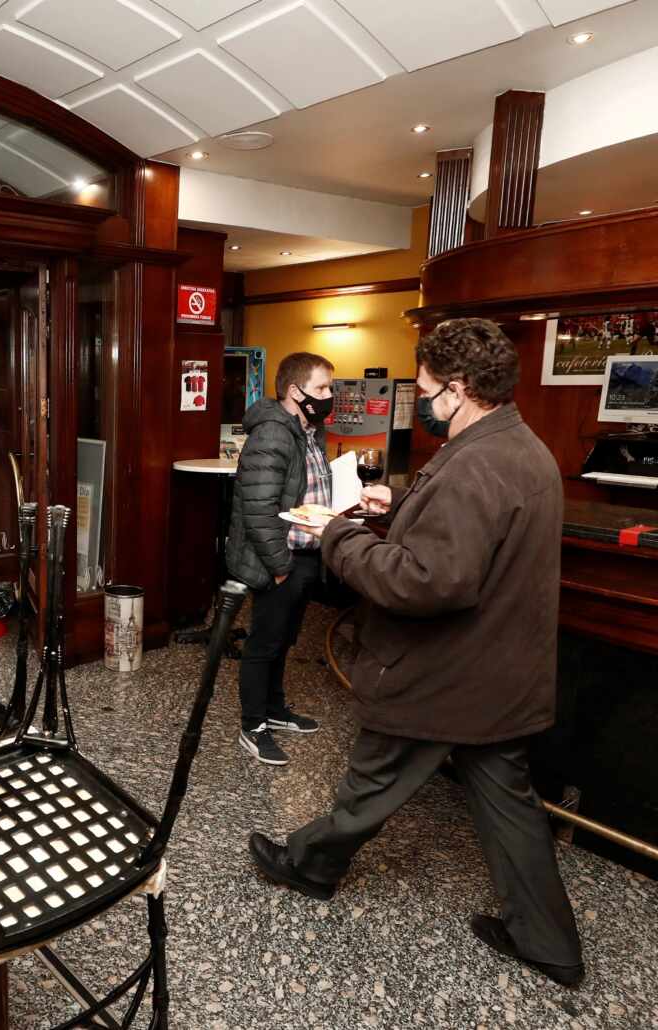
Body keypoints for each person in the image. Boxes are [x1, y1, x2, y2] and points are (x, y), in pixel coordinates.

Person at [248, 319, 584, 988]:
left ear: (459, 390)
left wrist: (339, 535)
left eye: (428, 389)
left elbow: (426, 581)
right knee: (508, 802)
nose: (423, 402)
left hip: (444, 673)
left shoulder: (477, 463)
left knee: (371, 780)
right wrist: (398, 506)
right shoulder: (520, 447)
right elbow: (468, 535)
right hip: (502, 675)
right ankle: (549, 943)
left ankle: (310, 867)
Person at [225, 351, 332, 767]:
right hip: (280, 559)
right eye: (321, 388)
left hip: (305, 554)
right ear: (295, 390)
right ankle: (253, 726)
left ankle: (274, 709)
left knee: (284, 640)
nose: (327, 396)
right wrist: (281, 567)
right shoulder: (273, 434)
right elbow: (258, 509)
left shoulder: (309, 431)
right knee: (264, 644)